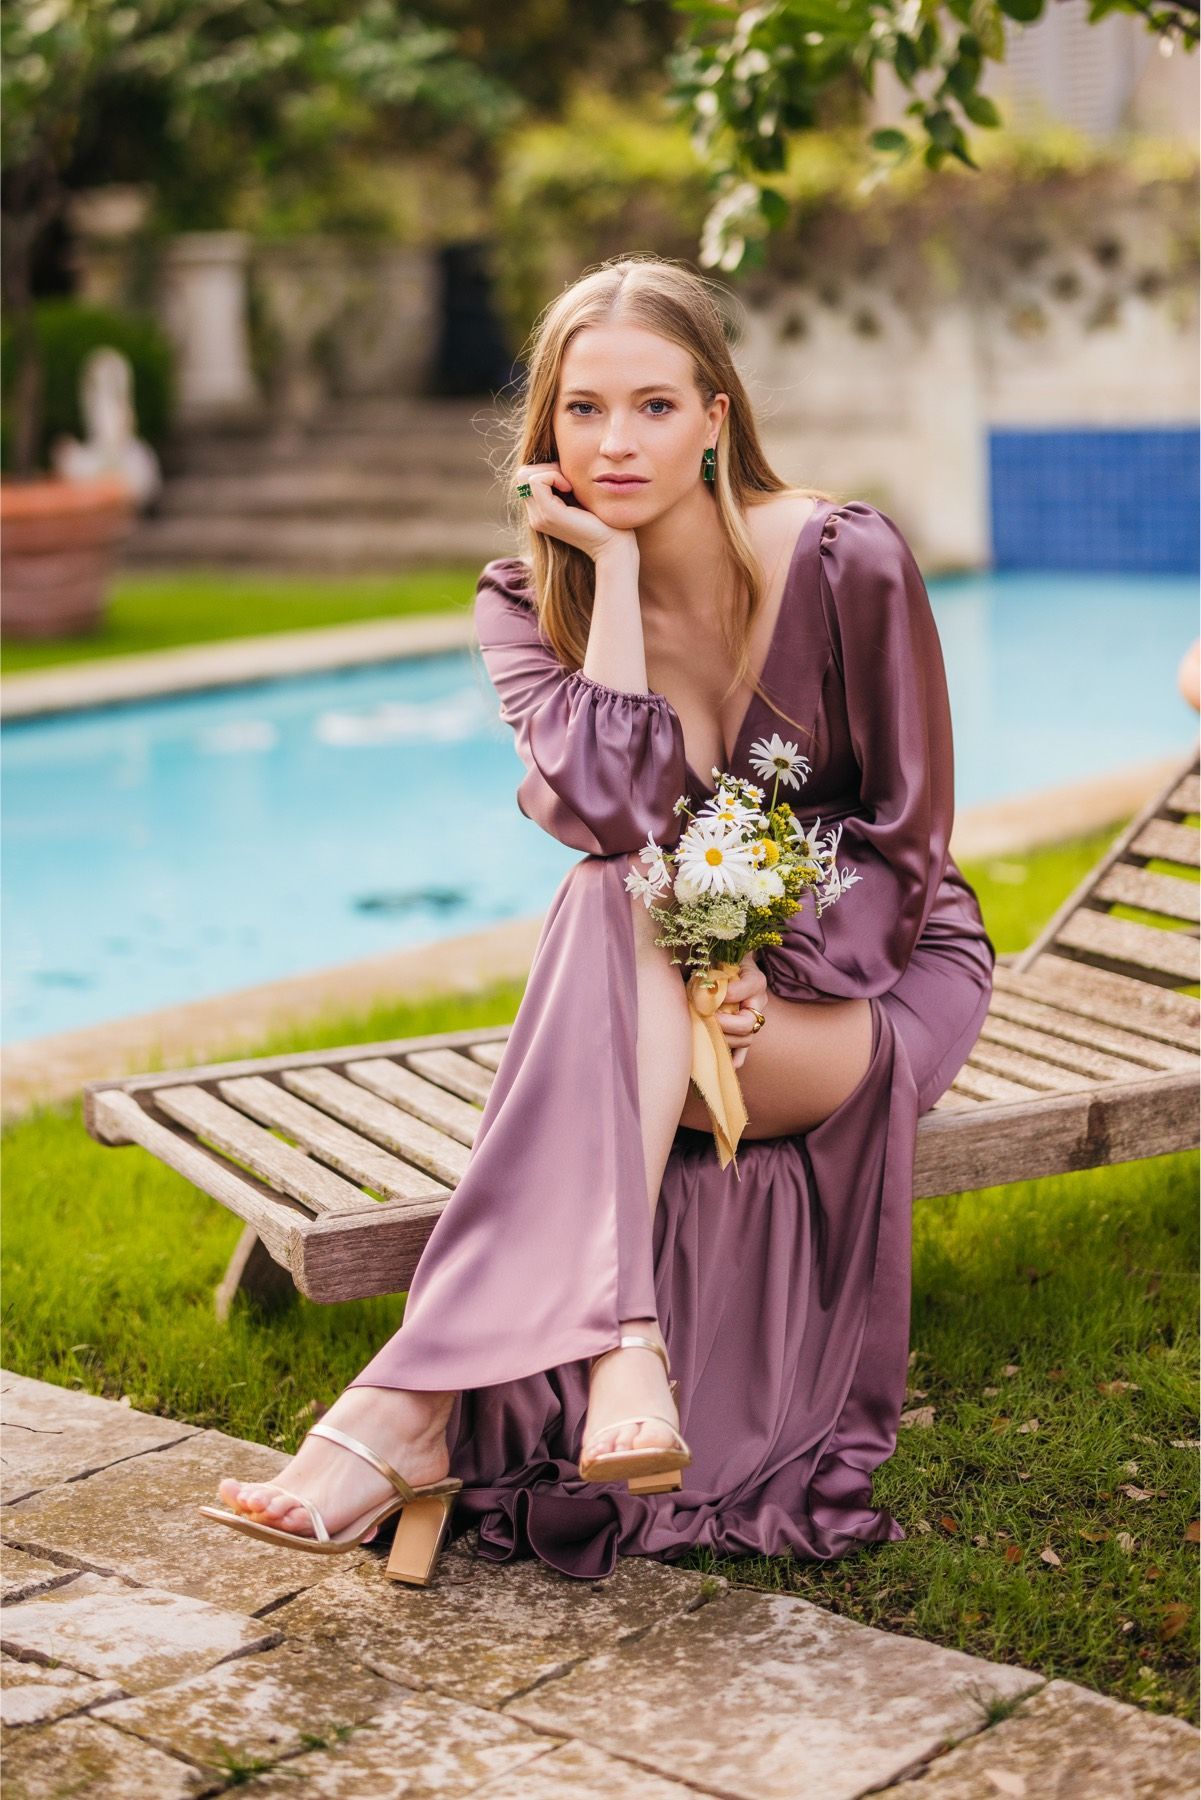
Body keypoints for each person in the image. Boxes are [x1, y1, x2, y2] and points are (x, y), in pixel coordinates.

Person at [202, 255, 996, 1583]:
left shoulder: (842, 556)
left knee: (608, 905)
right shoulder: (526, 601)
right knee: (609, 888)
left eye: (651, 406)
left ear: (714, 420)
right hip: (657, 978)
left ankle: (407, 1412)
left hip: (868, 970)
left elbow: (905, 841)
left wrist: (765, 963)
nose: (615, 442)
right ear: (543, 436)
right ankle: (620, 1342)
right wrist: (610, 586)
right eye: (581, 411)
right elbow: (615, 817)